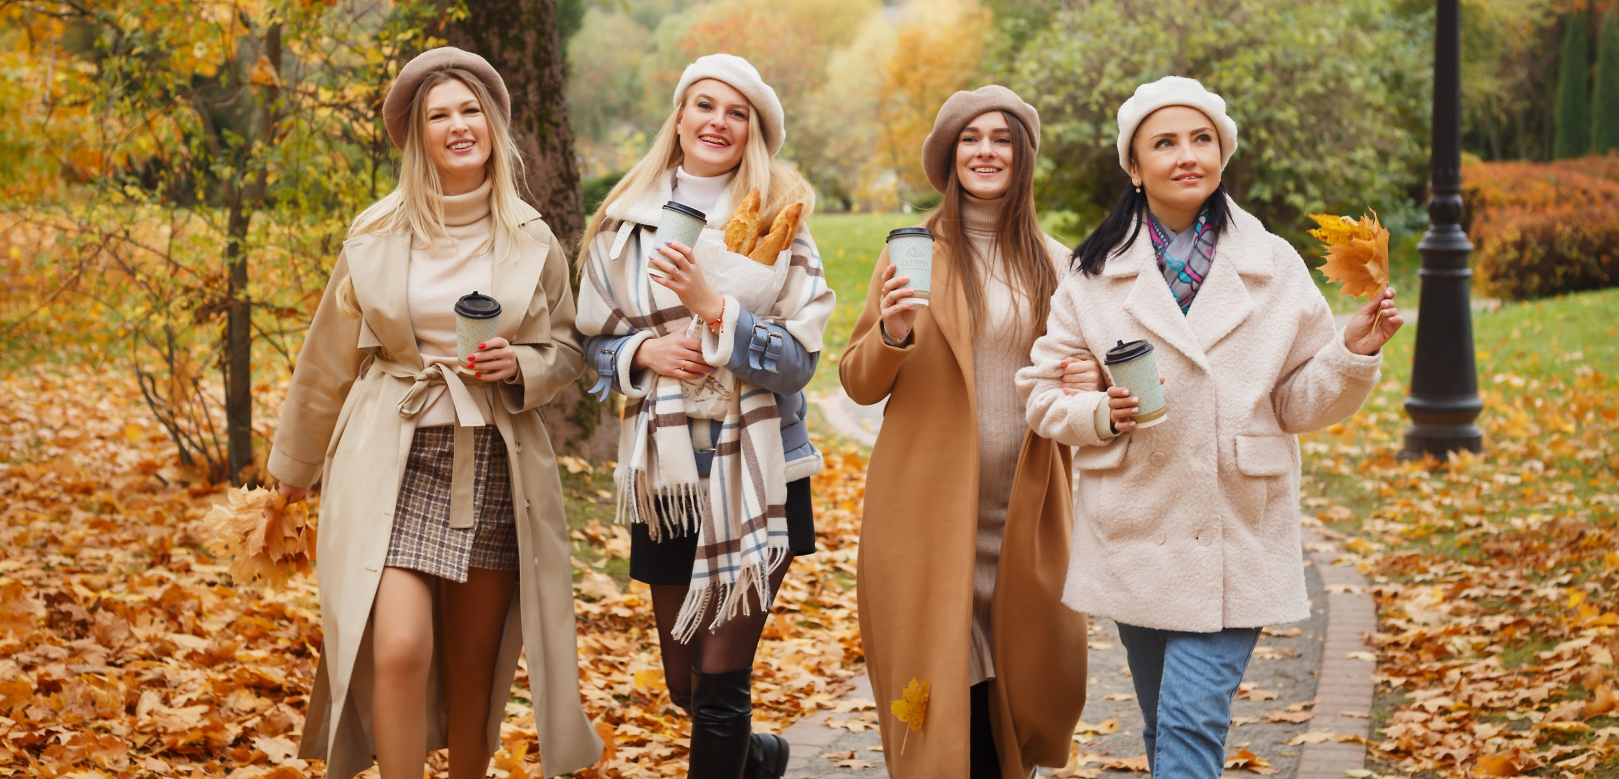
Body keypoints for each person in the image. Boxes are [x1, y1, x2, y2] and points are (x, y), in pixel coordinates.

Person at [1018, 76, 1403, 779]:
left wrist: (1353, 350)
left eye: (1201, 139)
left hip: (1237, 528)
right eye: (1163, 143)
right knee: (1164, 724)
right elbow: (1044, 398)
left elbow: (1296, 403)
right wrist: (1101, 412)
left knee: (1192, 723)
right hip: (1137, 527)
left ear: (1222, 154)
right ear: (1134, 167)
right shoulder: (1090, 274)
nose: (1186, 155)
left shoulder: (1273, 267)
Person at [267, 48, 601, 779]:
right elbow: (327, 360)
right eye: (438, 115)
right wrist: (291, 472)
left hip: (492, 460)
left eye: (469, 110)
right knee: (398, 648)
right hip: (393, 452)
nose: (457, 126)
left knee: (474, 667)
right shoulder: (377, 231)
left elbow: (569, 347)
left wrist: (525, 366)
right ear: (417, 136)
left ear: (493, 124)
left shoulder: (531, 237)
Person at [576, 53, 833, 779]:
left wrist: (716, 309)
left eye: (736, 112)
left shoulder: (785, 231)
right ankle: (759, 759)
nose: (718, 122)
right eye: (705, 106)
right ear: (680, 119)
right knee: (686, 682)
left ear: (753, 131)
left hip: (760, 471)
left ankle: (737, 747)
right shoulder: (623, 223)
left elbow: (797, 362)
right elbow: (590, 340)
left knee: (722, 681)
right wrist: (641, 353)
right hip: (668, 476)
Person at [840, 86, 1099, 779]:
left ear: (1022, 158)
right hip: (924, 513)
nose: (986, 150)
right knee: (945, 702)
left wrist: (1087, 384)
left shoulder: (1058, 263)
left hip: (1026, 509)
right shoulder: (912, 252)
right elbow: (859, 383)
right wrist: (892, 334)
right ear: (949, 157)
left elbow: (1081, 377)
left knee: (1022, 688)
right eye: (970, 138)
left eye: (1002, 138)